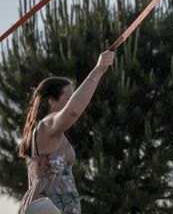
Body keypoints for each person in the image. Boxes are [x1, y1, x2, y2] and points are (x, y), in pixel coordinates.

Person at [17, 50, 115, 214]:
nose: (72, 103)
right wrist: (98, 70)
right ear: (51, 102)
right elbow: (72, 112)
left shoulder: (50, 132)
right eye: (68, 99)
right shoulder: (46, 126)